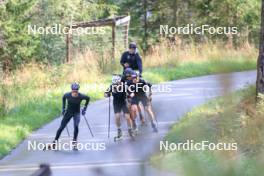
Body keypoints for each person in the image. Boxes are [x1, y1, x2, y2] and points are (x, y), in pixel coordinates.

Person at [47, 83, 90, 150]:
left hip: (77, 113)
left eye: (76, 91)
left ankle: (74, 143)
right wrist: (63, 108)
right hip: (68, 113)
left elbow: (88, 98)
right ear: (71, 90)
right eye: (73, 91)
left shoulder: (81, 96)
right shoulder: (67, 95)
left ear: (78, 90)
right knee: (61, 128)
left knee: (76, 126)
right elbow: (63, 97)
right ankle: (54, 143)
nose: (75, 92)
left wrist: (84, 108)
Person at [105, 75, 134, 140]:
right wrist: (107, 94)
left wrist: (130, 95)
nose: (115, 84)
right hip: (116, 103)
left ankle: (130, 129)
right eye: (114, 83)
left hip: (123, 102)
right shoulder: (112, 86)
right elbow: (105, 93)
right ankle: (119, 130)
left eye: (116, 83)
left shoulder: (124, 86)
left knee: (127, 117)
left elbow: (132, 93)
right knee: (117, 116)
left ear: (119, 81)